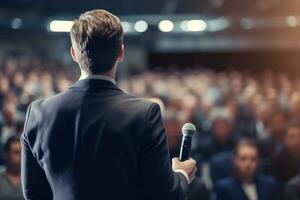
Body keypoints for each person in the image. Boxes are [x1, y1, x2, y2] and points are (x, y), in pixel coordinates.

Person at [20, 9, 196, 200]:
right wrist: (182, 174)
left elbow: (33, 193)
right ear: (121, 52)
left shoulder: (38, 112)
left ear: (74, 53)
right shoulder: (145, 114)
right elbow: (166, 194)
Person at [0, 135, 23, 200]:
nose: (20, 156)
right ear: (6, 154)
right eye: (16, 152)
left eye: (22, 152)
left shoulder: (31, 180)